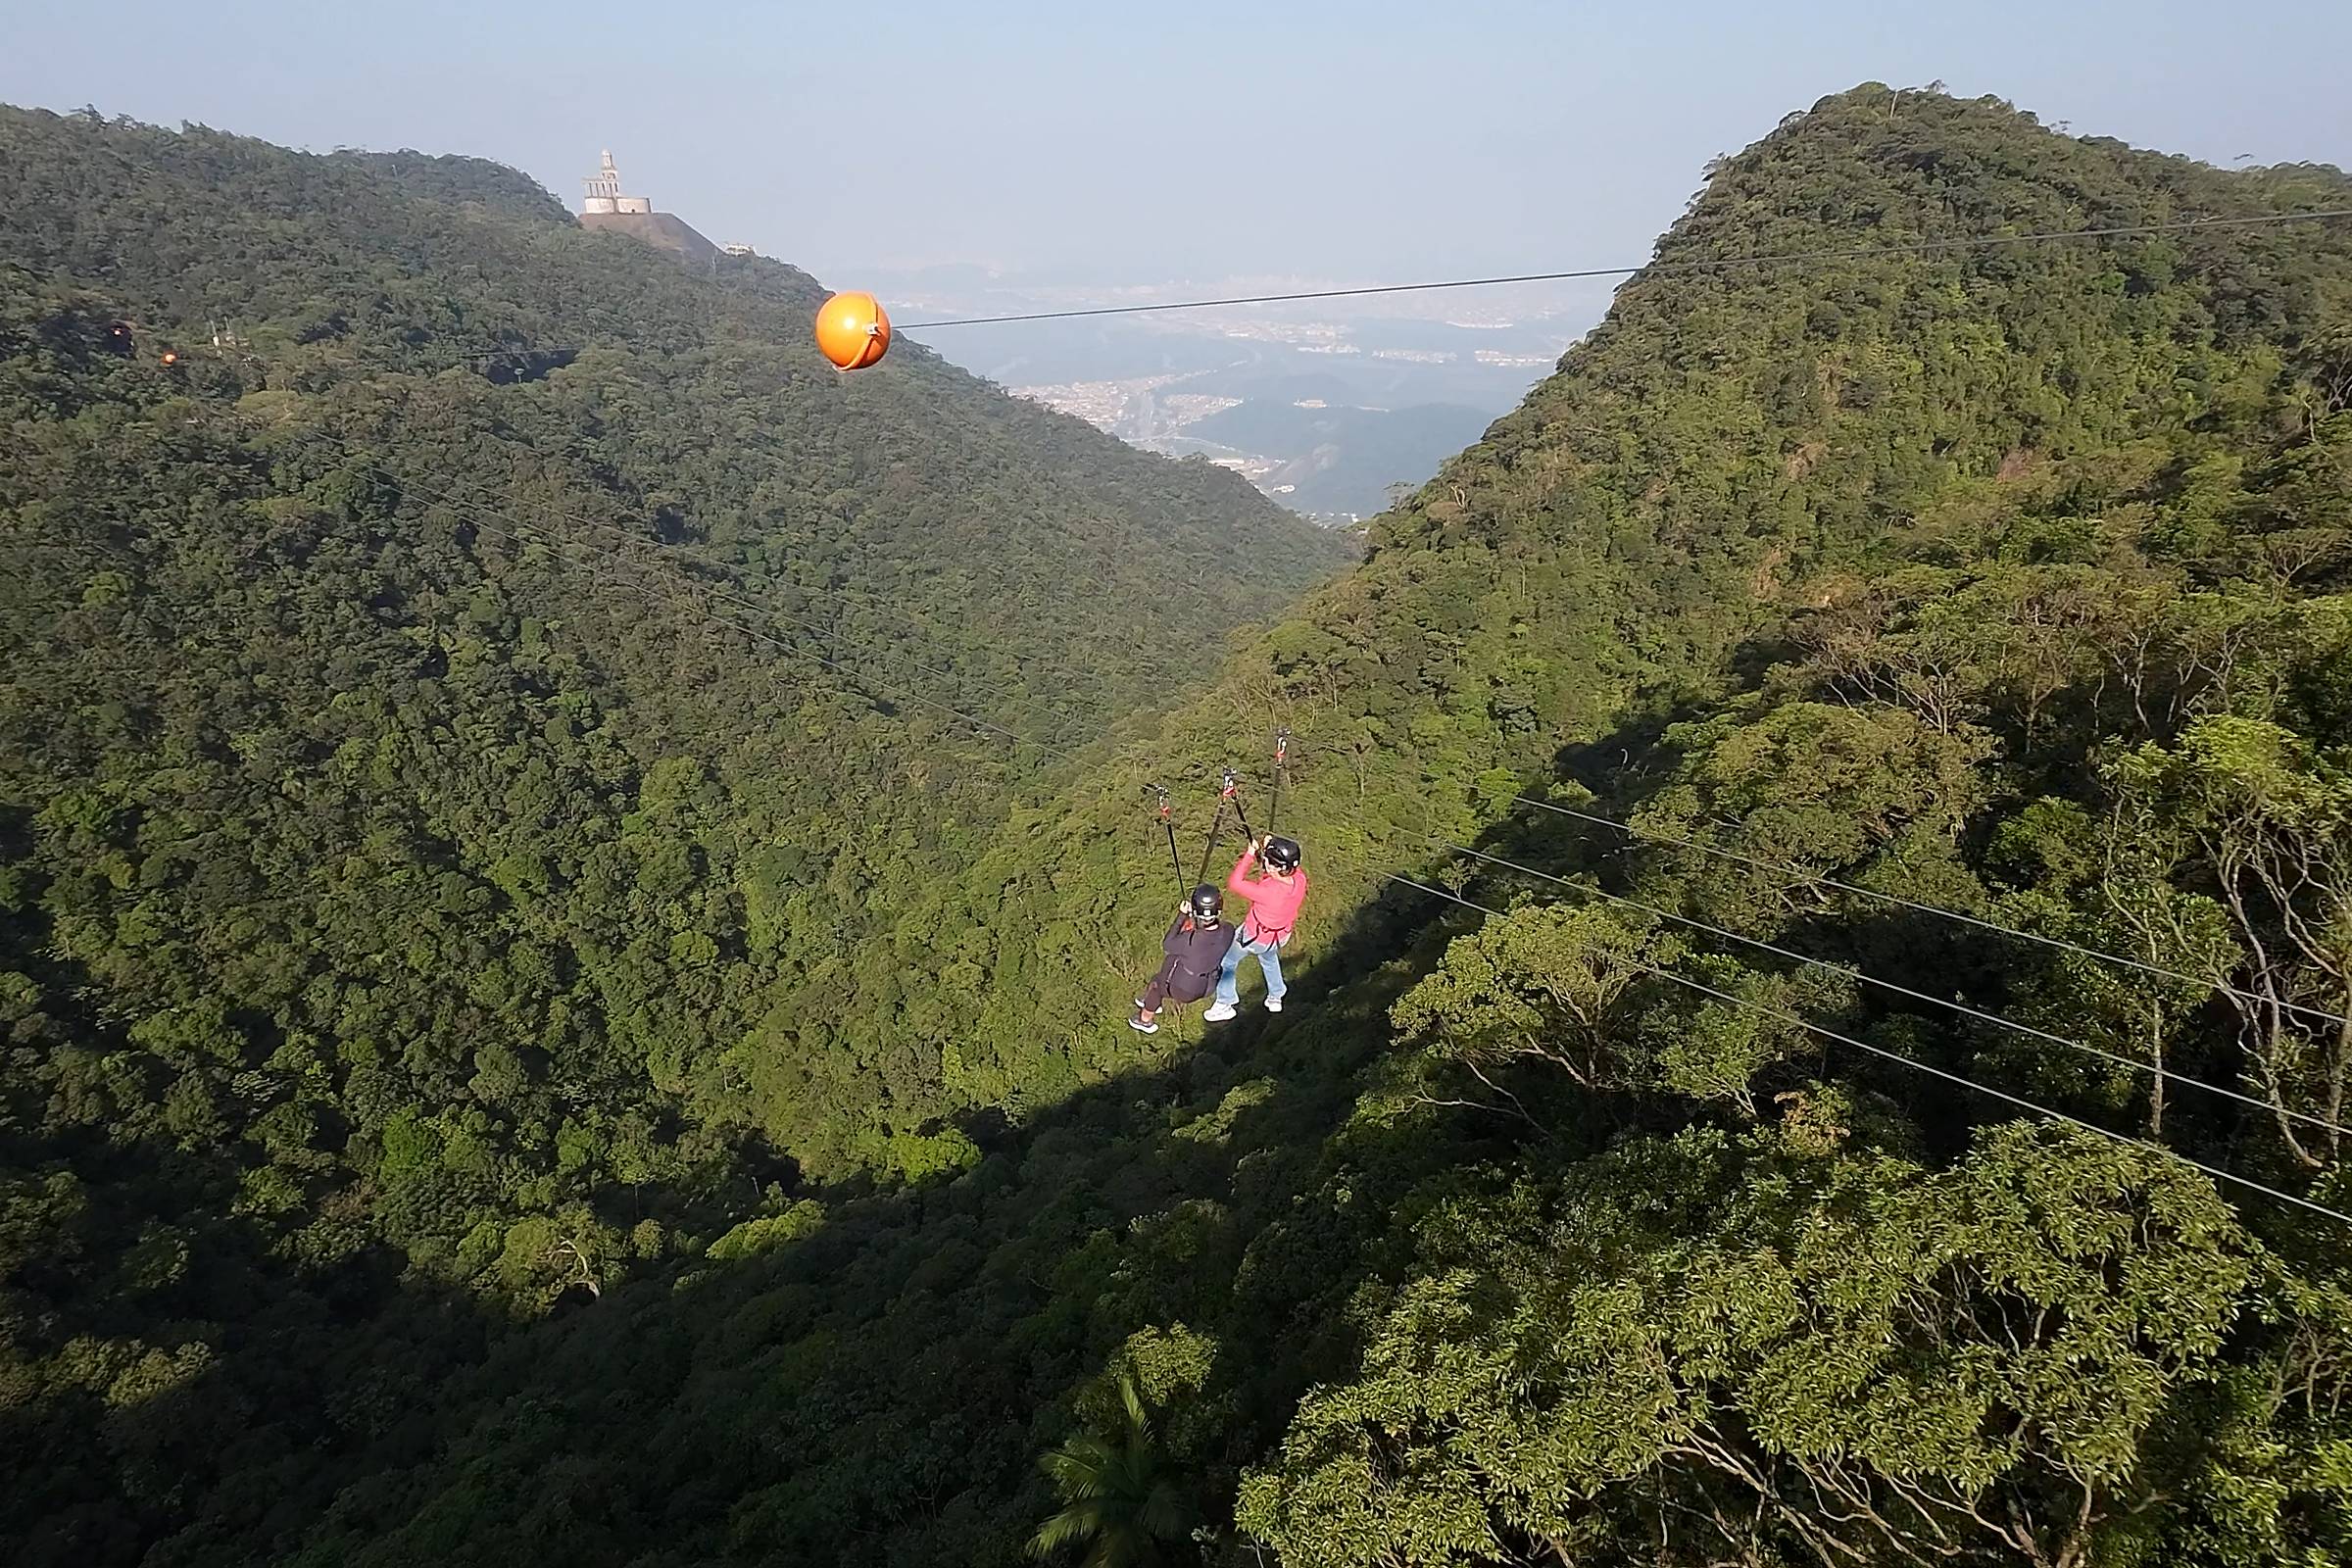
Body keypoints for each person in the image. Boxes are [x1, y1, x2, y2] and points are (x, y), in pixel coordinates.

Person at [1202, 835, 1308, 1021]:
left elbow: (1235, 883)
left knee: (1226, 962)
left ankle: (1225, 1003)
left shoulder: (1268, 892)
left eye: (1267, 860)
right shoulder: (1299, 880)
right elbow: (1287, 867)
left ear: (1274, 866)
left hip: (1254, 937)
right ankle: (1276, 995)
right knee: (1268, 958)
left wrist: (1250, 854)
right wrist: (1270, 846)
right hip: (1280, 935)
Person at [1130, 884, 1233, 1034]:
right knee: (1159, 976)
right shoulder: (1228, 930)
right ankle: (1152, 1003)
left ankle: (1145, 1020)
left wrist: (1182, 916)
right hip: (1208, 985)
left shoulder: (1189, 940)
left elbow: (1167, 944)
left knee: (1157, 985)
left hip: (1185, 990)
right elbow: (1207, 938)